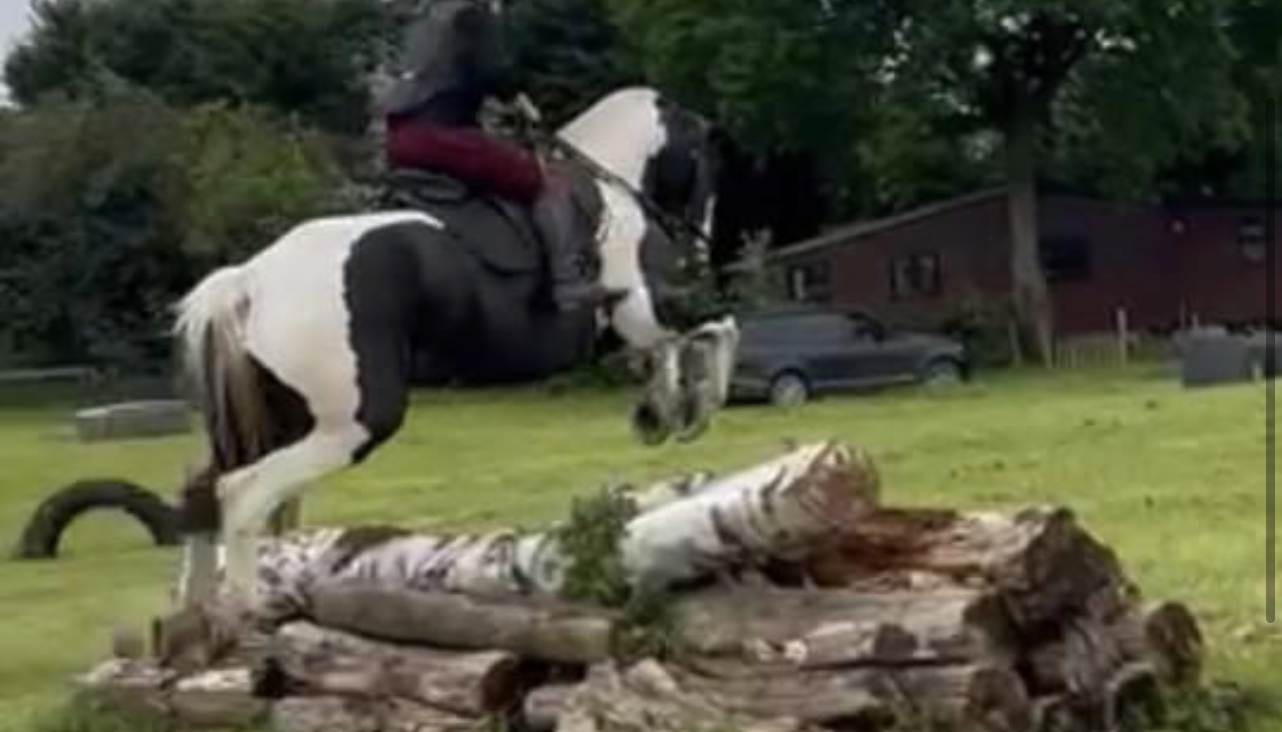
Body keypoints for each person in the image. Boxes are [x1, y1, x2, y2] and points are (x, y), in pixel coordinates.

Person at [379, 0, 603, 311]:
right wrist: (521, 104)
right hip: (443, 138)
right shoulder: (473, 12)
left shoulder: (428, 15)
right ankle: (571, 284)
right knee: (546, 184)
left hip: (399, 140)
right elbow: (494, 71)